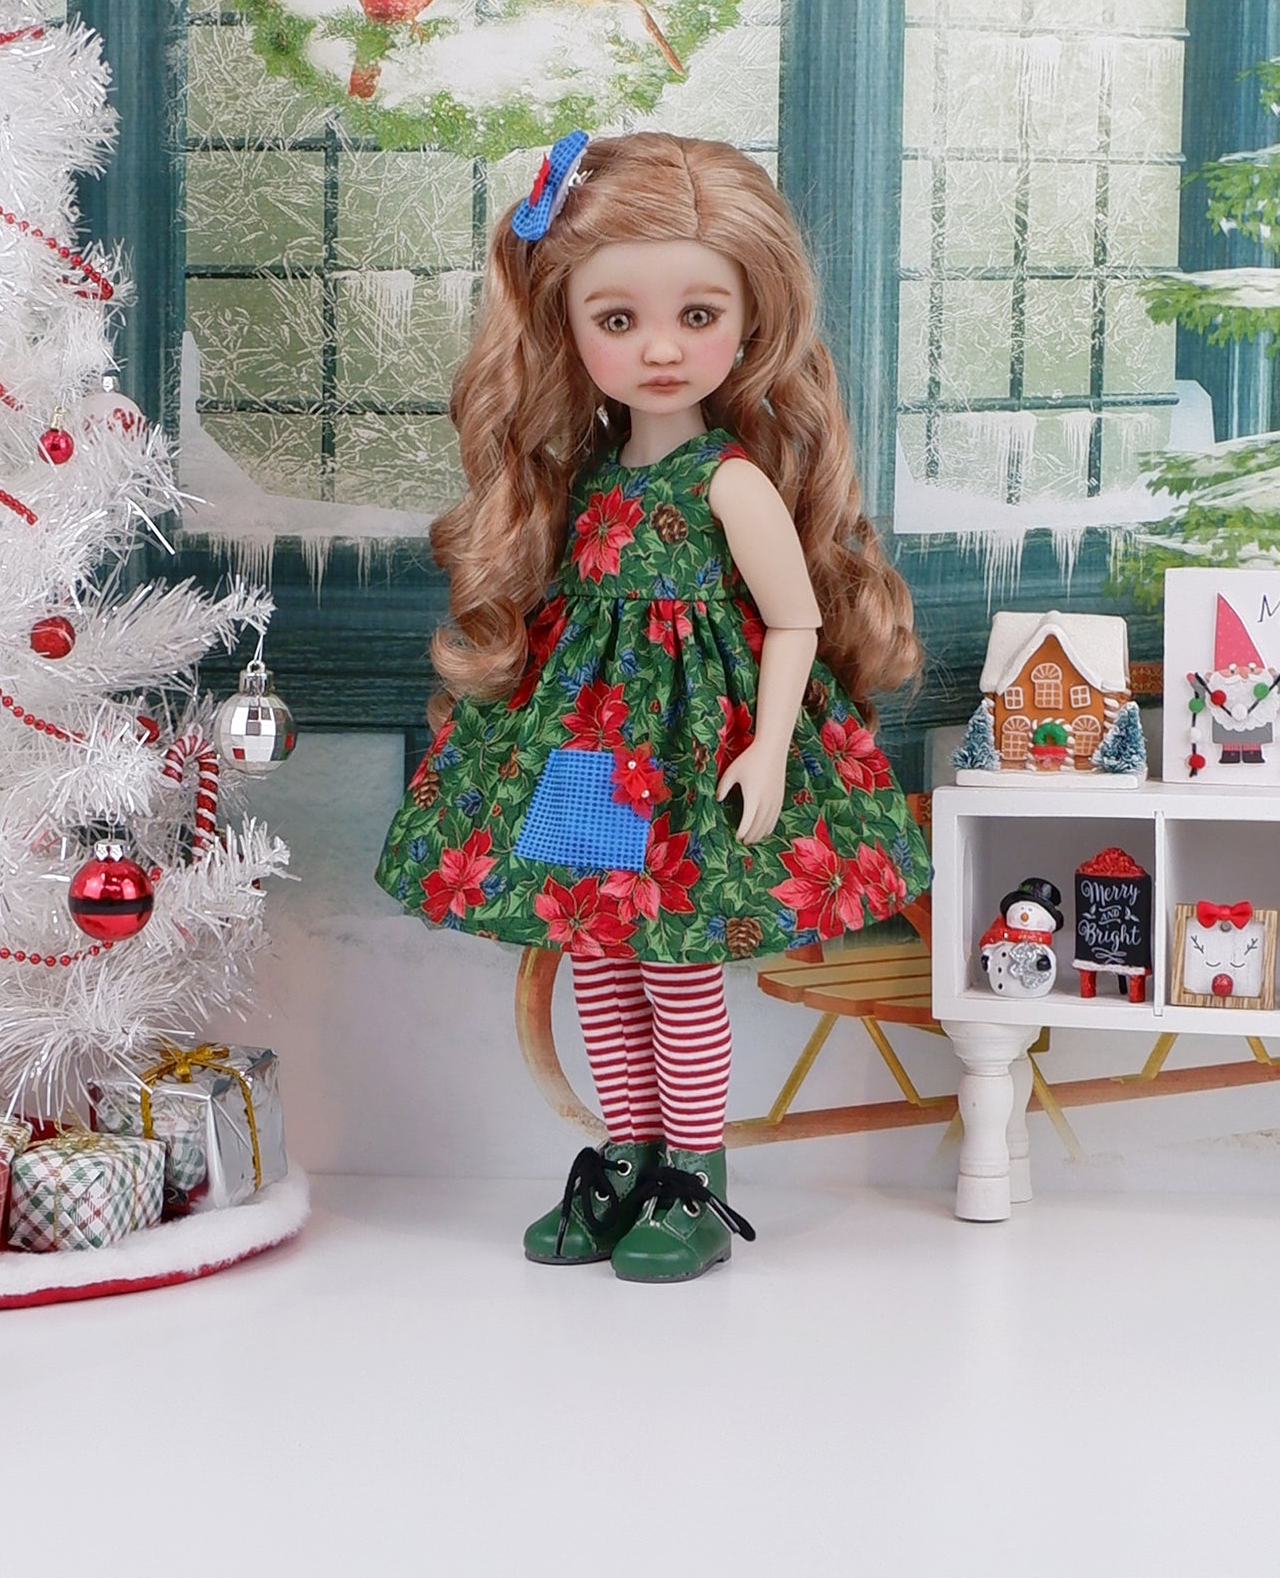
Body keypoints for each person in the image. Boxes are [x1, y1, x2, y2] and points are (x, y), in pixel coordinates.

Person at [375, 130, 931, 1282]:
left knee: (675, 964)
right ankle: (627, 1155)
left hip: (691, 757)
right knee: (598, 955)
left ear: (752, 319)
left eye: (699, 315)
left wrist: (769, 748)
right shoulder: (586, 478)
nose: (662, 349)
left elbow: (793, 622)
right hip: (589, 754)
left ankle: (693, 1171)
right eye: (618, 319)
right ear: (569, 327)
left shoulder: (730, 480)